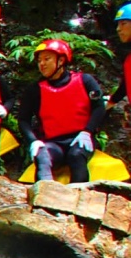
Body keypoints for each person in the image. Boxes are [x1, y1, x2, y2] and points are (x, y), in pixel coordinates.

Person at [17, 38, 105, 183]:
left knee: (76, 156)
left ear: (61, 61)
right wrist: (33, 141)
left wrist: (87, 131)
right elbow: (23, 119)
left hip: (80, 139)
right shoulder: (34, 89)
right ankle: (44, 197)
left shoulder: (85, 80)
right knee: (42, 156)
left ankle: (78, 200)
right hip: (53, 142)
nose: (42, 64)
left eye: (47, 59)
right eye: (39, 60)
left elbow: (99, 107)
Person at [106, 2, 131, 115]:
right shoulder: (129, 59)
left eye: (123, 23)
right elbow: (126, 84)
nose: (118, 29)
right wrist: (112, 101)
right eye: (118, 24)